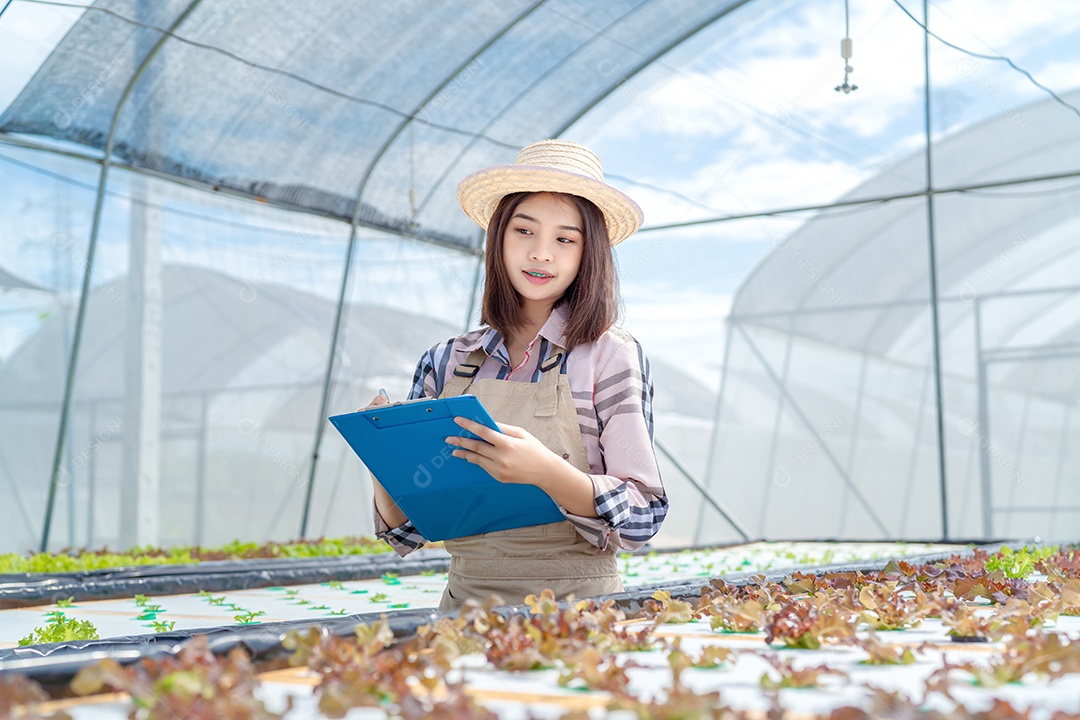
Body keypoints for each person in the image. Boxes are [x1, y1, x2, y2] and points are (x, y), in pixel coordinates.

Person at [365, 139, 667, 612]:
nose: (542, 253)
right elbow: (409, 529)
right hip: (464, 610)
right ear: (498, 238)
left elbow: (643, 516)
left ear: (589, 253)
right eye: (524, 231)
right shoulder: (445, 360)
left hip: (577, 612)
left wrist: (548, 474)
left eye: (565, 239)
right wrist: (383, 457)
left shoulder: (609, 355)